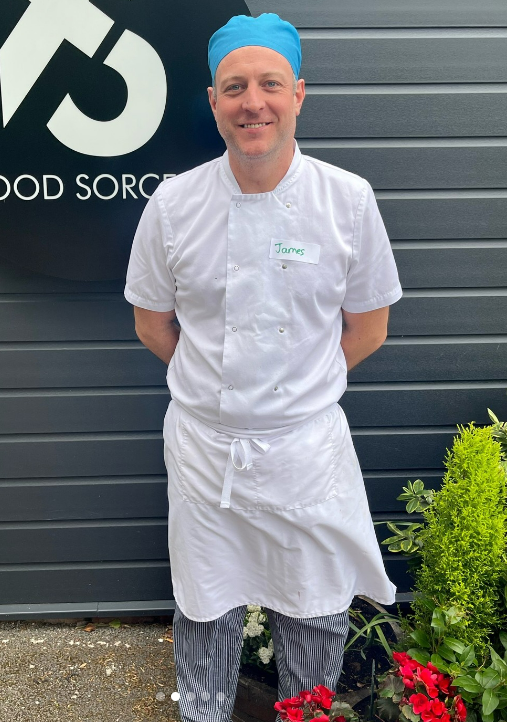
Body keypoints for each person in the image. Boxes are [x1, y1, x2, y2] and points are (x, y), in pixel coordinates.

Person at [124, 12, 403, 722]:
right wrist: (221, 388)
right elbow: (153, 324)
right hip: (203, 447)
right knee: (205, 605)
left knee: (314, 608)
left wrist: (295, 388)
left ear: (299, 93)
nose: (254, 102)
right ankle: (204, 714)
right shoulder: (173, 205)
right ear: (213, 101)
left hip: (306, 450)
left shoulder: (349, 200)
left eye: (270, 83)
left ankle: (306, 714)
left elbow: (368, 328)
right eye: (235, 86)